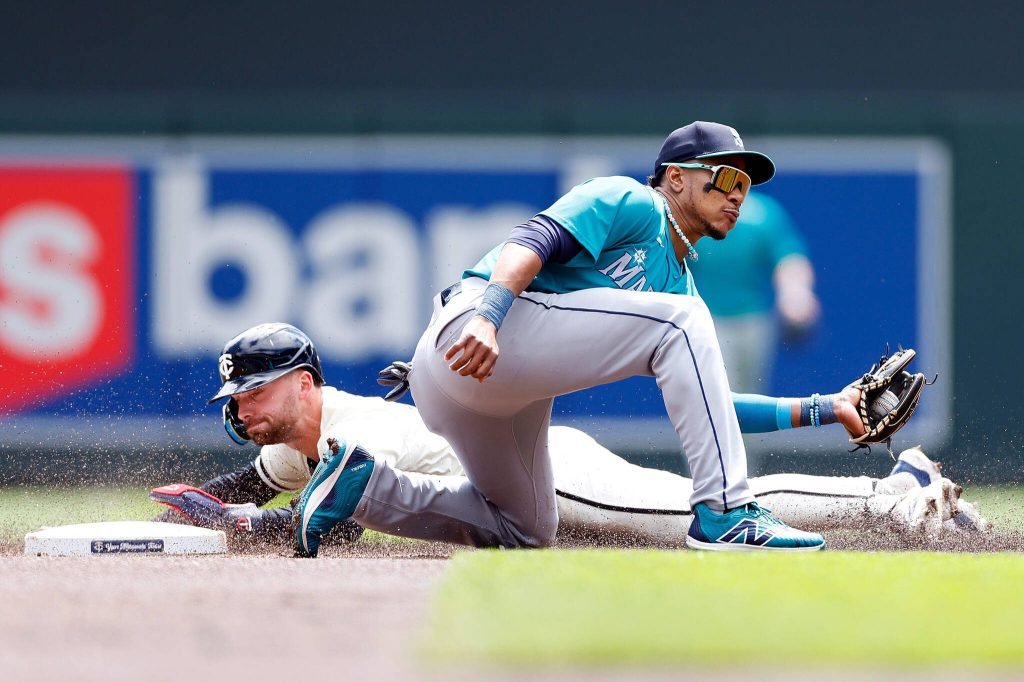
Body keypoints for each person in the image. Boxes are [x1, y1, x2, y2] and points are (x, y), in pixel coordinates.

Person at [153, 324, 986, 554]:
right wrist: (189, 512)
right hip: (523, 481)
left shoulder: (353, 427)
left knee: (697, 515)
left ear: (303, 384)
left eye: (253, 390)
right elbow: (242, 486)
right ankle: (890, 494)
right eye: (236, 396)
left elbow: (332, 522)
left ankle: (892, 495)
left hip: (549, 473)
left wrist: (244, 527)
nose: (242, 407)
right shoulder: (291, 444)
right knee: (685, 520)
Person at [400, 120, 833, 552]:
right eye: (725, 177)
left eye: (744, 184)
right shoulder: (635, 201)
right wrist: (487, 318)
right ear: (676, 177)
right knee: (685, 319)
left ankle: (370, 488)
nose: (737, 194)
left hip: (489, 388)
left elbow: (714, 404)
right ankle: (725, 510)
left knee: (527, 528)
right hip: (478, 327)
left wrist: (823, 409)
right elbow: (533, 236)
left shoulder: (678, 290)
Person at [687, 192, 819, 393]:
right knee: (718, 394)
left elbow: (789, 259)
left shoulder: (762, 213)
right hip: (706, 321)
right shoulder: (697, 213)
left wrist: (795, 293)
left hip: (753, 324)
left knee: (751, 393)